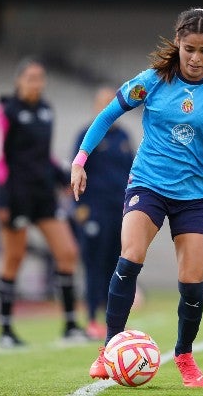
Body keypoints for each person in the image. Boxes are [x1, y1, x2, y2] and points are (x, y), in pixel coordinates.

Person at [71, 7, 203, 388]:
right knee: (130, 257)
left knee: (192, 281)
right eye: (189, 48)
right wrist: (81, 158)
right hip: (149, 185)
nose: (195, 57)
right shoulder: (153, 80)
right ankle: (109, 350)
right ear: (178, 42)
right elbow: (108, 114)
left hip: (195, 195)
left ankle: (185, 355)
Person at [0, 56, 87, 348]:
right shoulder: (5, 111)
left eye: (40, 78)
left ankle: (70, 326)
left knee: (67, 252)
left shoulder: (47, 111)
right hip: (17, 195)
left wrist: (63, 177)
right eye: (31, 78)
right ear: (19, 81)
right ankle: (6, 332)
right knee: (14, 258)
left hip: (44, 194)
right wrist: (2, 201)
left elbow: (45, 157)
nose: (36, 83)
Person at [71, 86, 135, 341]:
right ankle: (91, 319)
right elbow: (75, 170)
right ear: (96, 106)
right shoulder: (87, 136)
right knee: (93, 265)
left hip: (119, 210)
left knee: (115, 265)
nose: (108, 107)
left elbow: (132, 171)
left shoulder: (123, 137)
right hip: (94, 210)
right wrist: (80, 208)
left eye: (112, 103)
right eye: (103, 102)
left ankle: (111, 319)